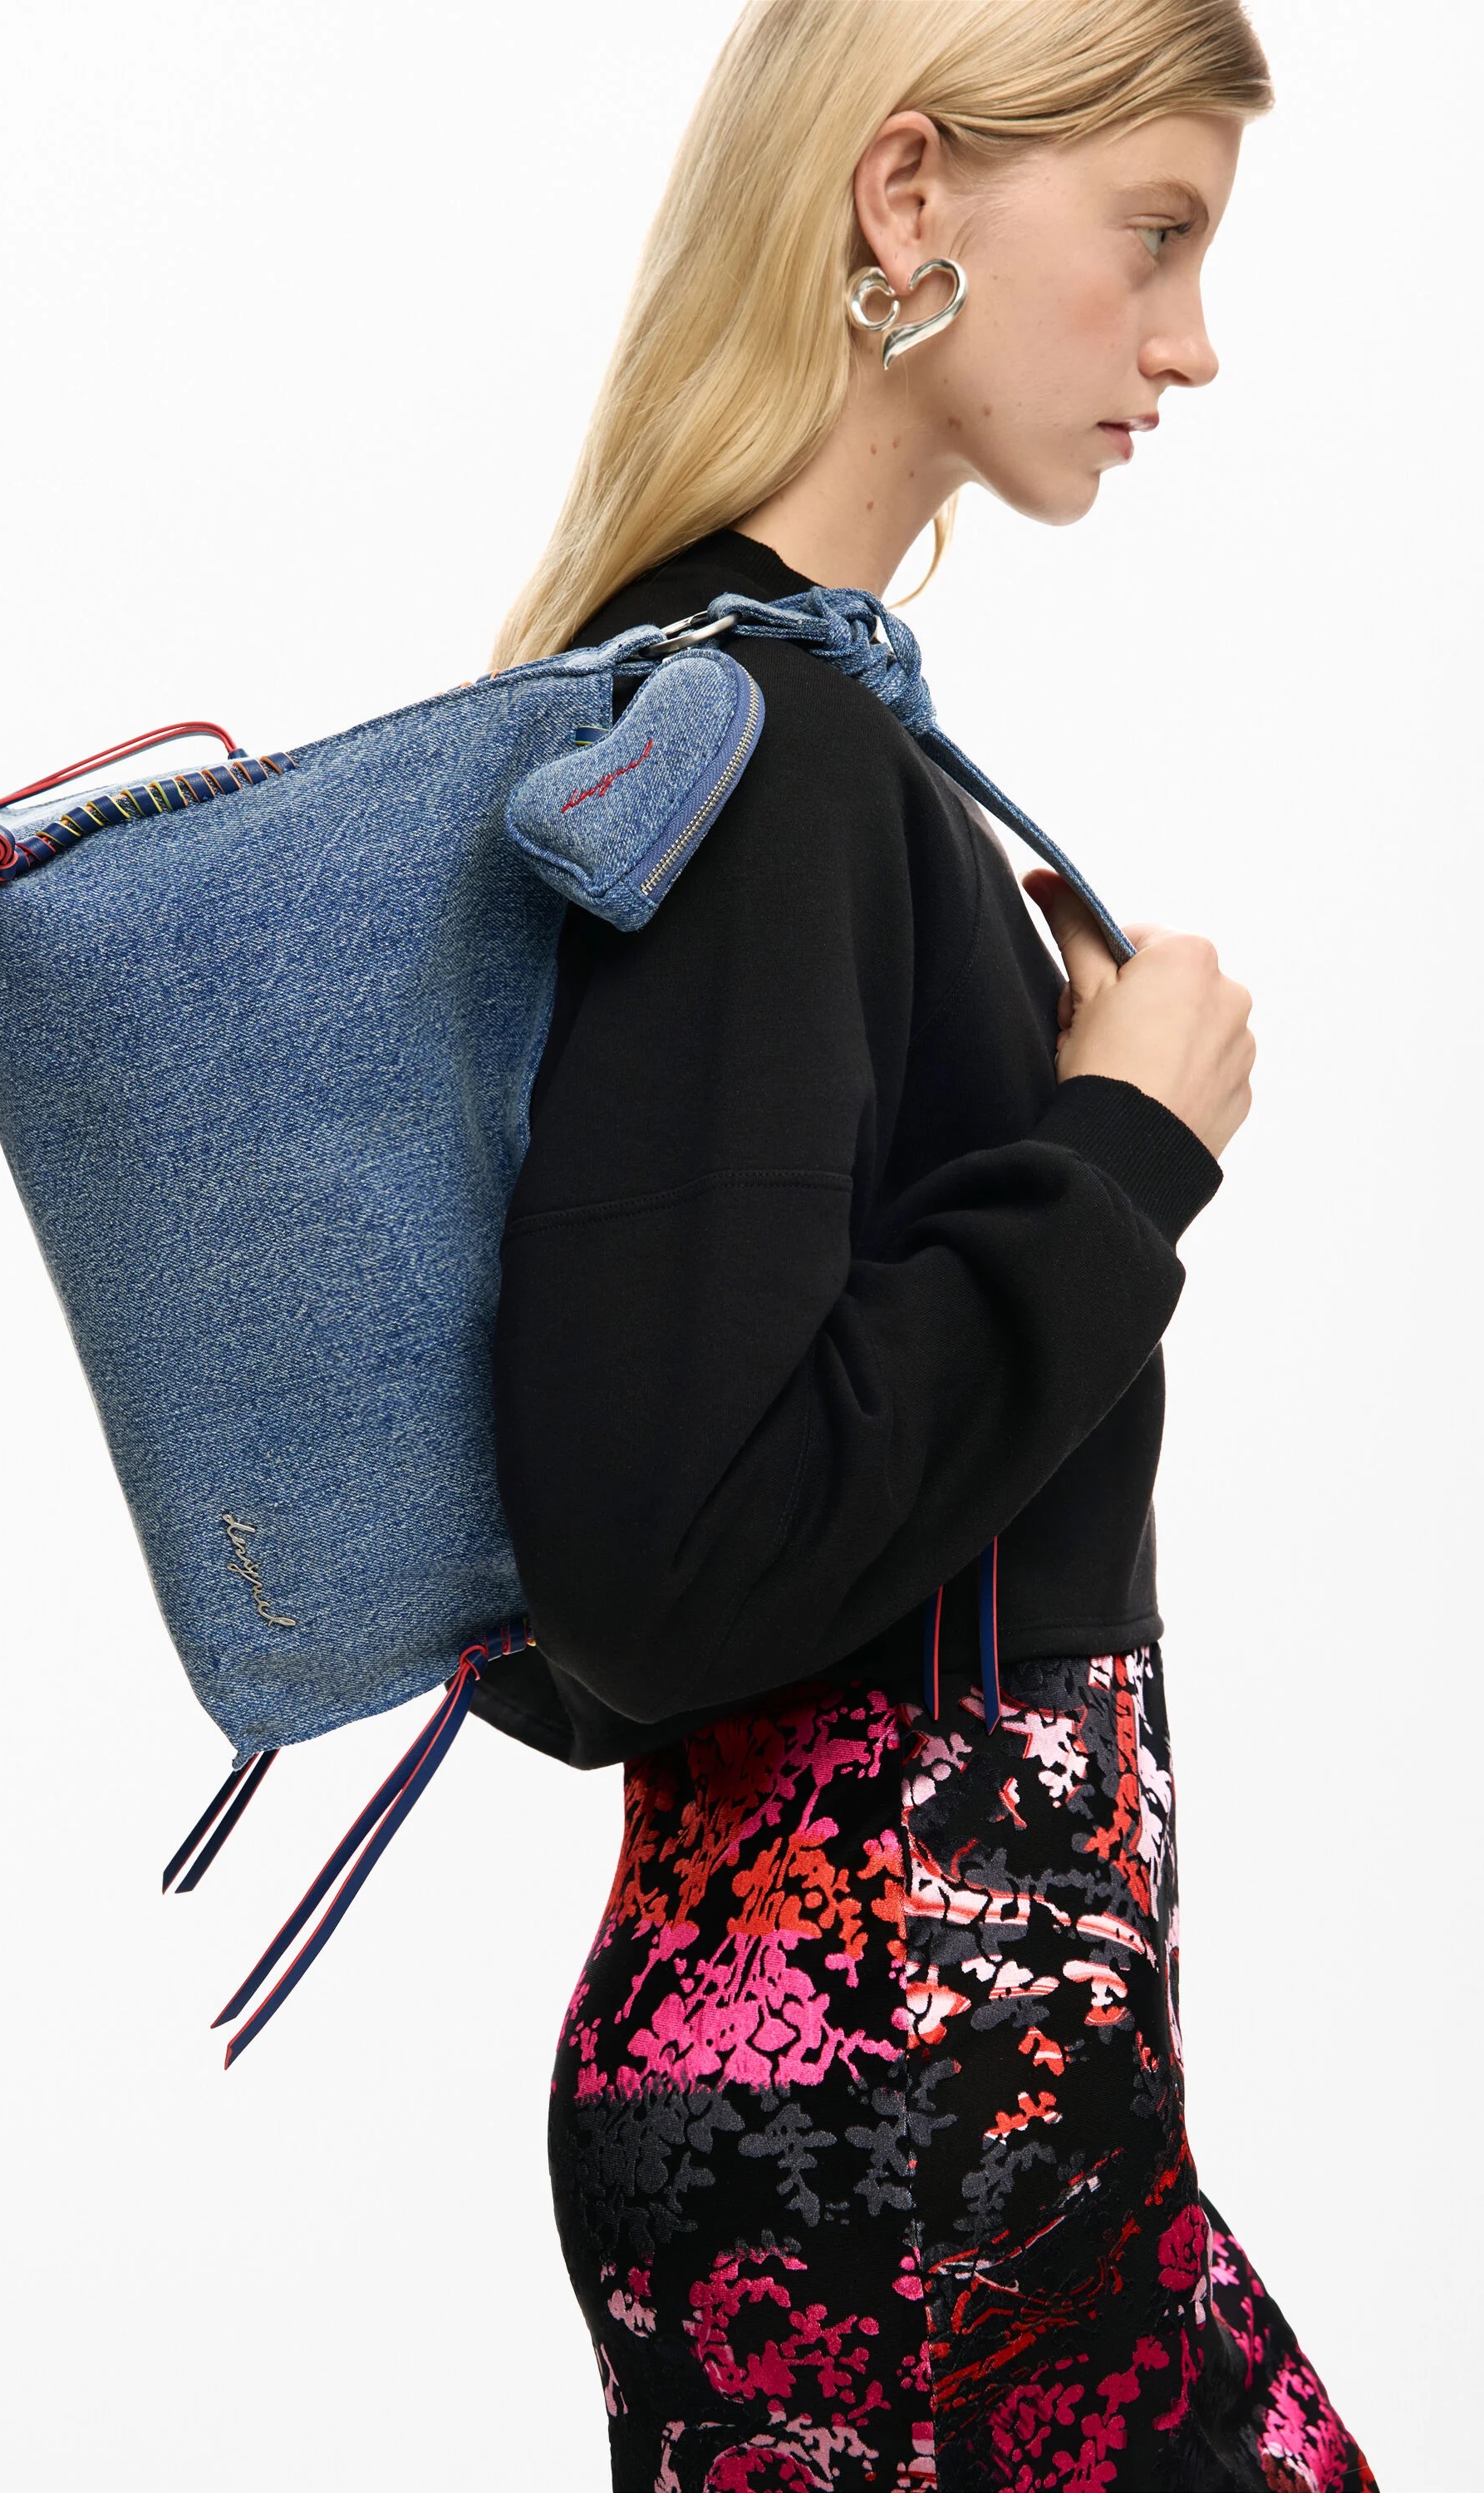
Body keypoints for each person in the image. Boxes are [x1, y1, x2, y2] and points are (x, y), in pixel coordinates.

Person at [476, 2, 1374, 2485]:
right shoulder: (762, 753)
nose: (1191, 341)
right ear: (907, 199)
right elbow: (661, 1566)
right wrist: (1122, 1152)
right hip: (914, 2111)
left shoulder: (747, 716)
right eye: (1156, 234)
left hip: (910, 2091)